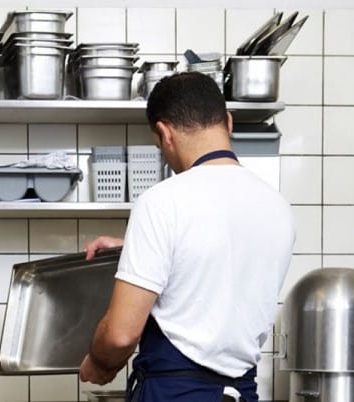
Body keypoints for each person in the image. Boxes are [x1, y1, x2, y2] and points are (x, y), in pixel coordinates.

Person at [78, 72, 296, 402]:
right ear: (227, 121)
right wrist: (135, 249)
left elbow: (121, 336)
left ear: (164, 134)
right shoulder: (277, 206)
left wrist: (98, 362)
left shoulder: (162, 201)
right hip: (240, 394)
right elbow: (222, 257)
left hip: (174, 394)